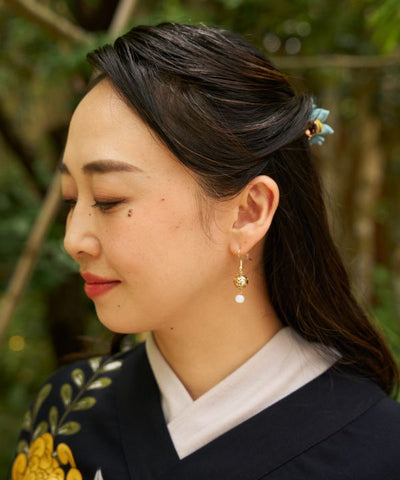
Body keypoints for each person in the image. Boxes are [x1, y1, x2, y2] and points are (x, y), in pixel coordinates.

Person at [10, 23, 400, 480]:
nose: (73, 238)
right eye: (71, 199)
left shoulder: (382, 453)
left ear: (249, 212)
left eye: (109, 199)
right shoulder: (65, 412)